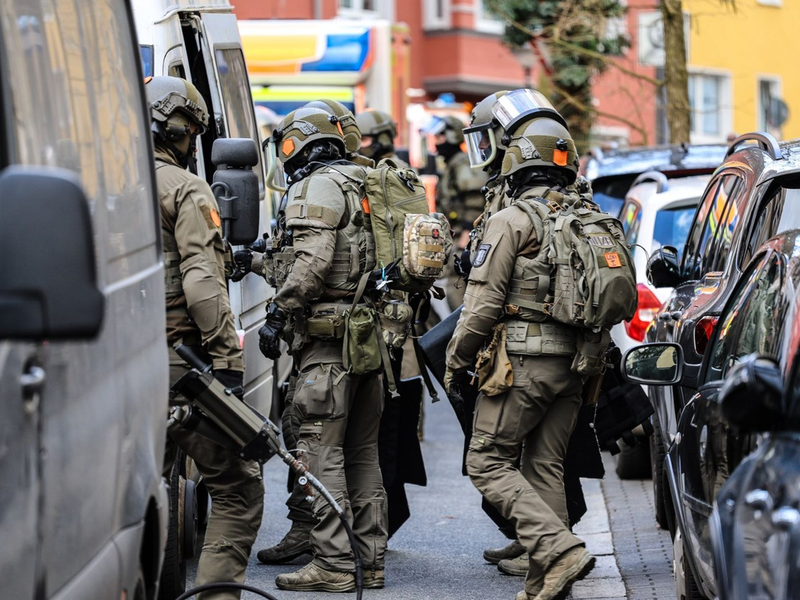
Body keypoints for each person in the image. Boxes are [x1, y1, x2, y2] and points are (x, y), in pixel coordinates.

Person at [444, 89, 599, 600]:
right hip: (577, 366)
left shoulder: (510, 220)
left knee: (487, 461)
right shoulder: (591, 220)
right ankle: (545, 583)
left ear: (514, 161)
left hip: (523, 364)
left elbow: (481, 304)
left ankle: (558, 551)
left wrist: (457, 359)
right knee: (544, 467)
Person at [257, 107, 387, 592]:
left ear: (296, 145)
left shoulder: (315, 187)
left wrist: (277, 312)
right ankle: (368, 563)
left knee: (318, 452)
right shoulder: (366, 180)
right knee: (362, 455)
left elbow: (312, 262)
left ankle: (334, 565)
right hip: (370, 340)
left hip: (328, 343)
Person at [146, 75, 264, 600]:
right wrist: (227, 364)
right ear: (174, 128)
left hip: (112, 368)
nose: (193, 140)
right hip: (179, 365)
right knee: (238, 489)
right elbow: (202, 283)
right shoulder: (185, 189)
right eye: (191, 130)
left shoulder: (99, 187)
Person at [425, 114, 488, 310]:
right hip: (456, 235)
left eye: (440, 137)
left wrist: (464, 243)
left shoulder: (462, 164)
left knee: (456, 286)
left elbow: (474, 204)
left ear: (452, 136)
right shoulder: (453, 164)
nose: (437, 143)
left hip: (464, 237)